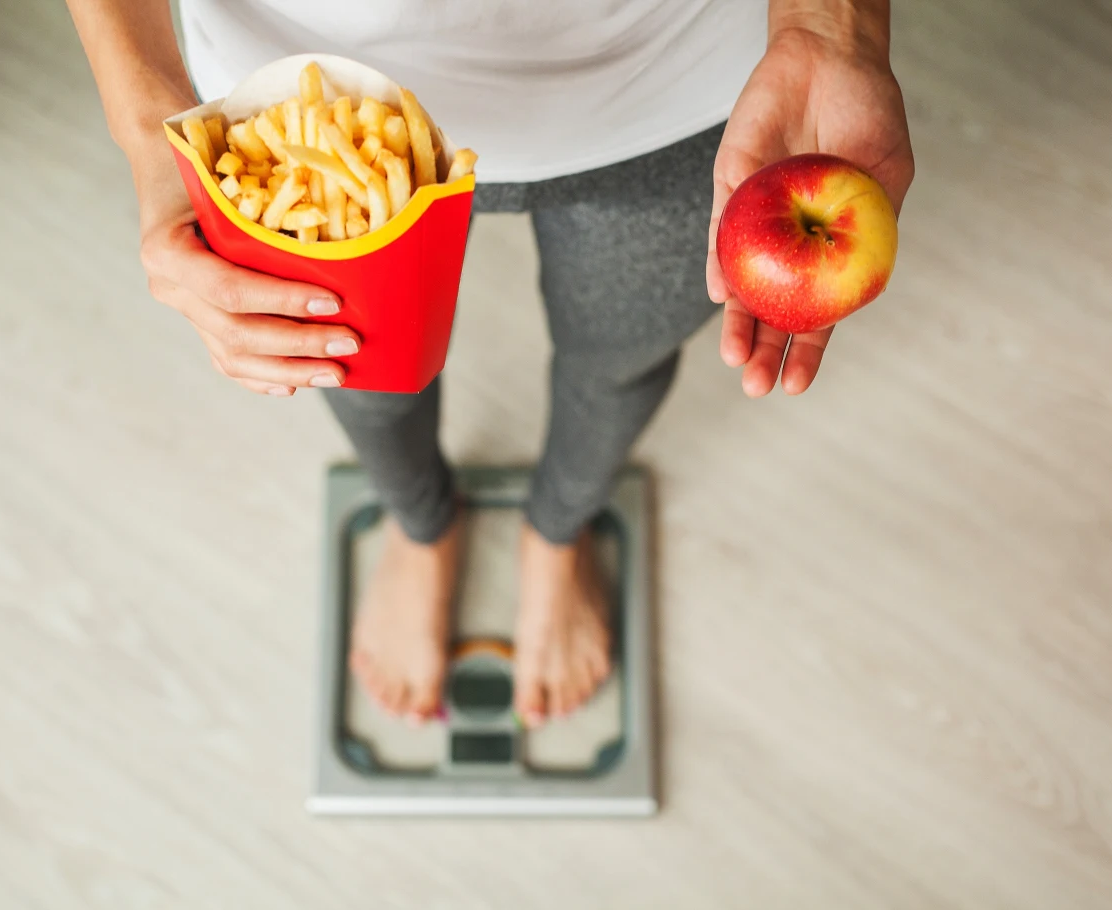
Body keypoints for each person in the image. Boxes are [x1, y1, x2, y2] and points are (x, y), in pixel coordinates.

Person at [65, 0, 914, 728]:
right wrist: (147, 126)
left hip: (683, 91)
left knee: (621, 356)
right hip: (304, 105)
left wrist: (829, 24)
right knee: (349, 365)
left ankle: (558, 530)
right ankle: (419, 524)